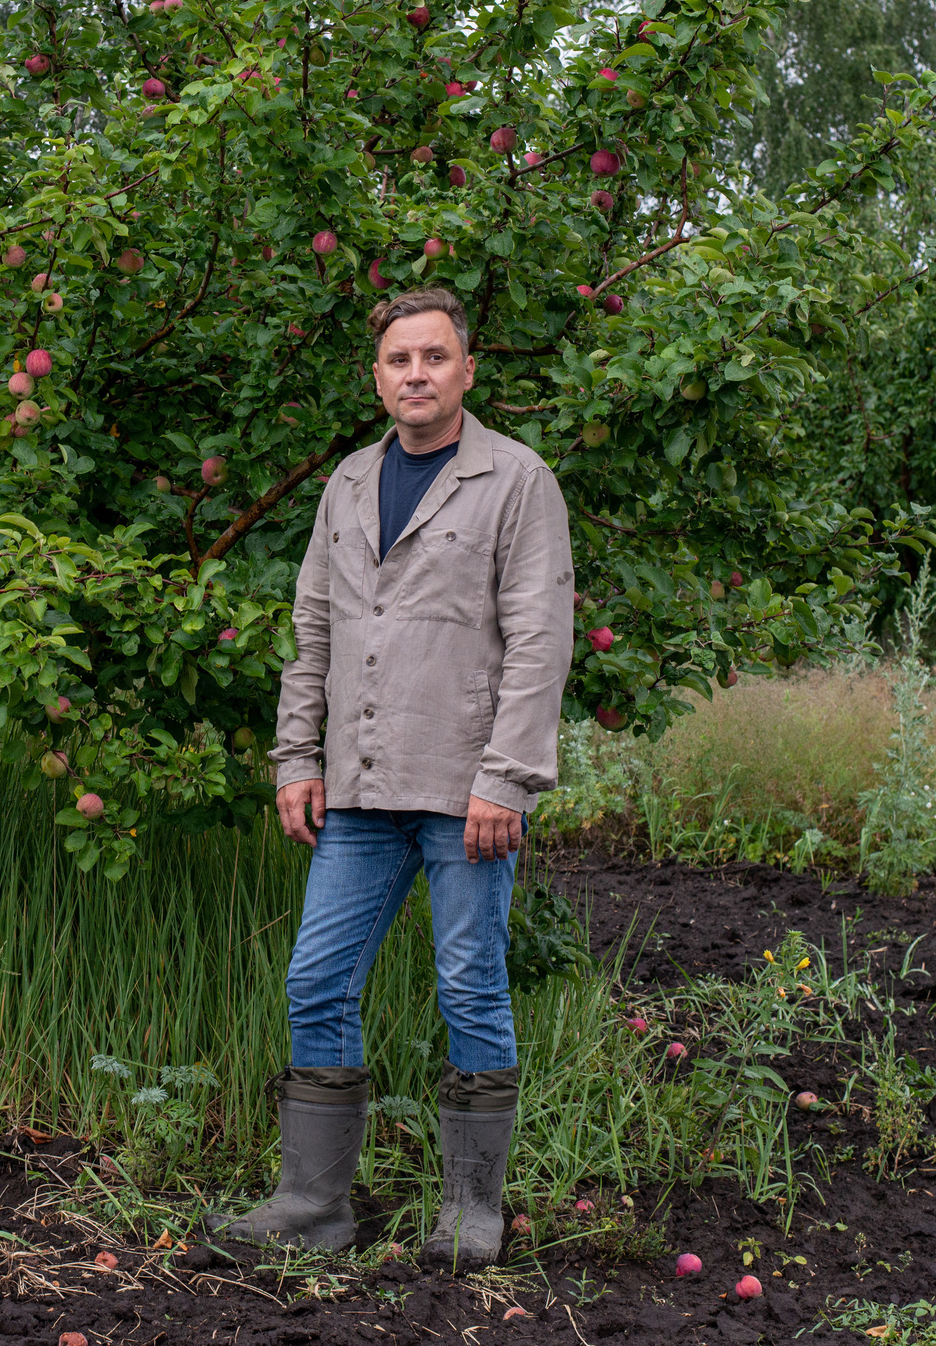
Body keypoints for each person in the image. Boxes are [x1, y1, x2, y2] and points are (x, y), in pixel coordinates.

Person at [211, 286, 574, 1269]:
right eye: (397, 359)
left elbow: (540, 641)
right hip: (360, 790)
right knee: (316, 976)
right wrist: (295, 754)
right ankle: (312, 1203)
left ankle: (470, 1210)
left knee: (469, 981)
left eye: (433, 356)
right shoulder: (346, 484)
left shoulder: (516, 480)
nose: (415, 373)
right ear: (377, 376)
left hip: (467, 793)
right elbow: (313, 633)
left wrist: (508, 776)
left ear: (466, 368)